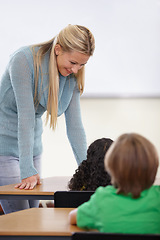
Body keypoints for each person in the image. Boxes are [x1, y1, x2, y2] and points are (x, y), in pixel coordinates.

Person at [0, 24, 95, 214]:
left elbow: (75, 126)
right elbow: (25, 116)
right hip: (5, 144)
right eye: (73, 62)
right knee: (20, 219)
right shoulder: (23, 60)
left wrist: (88, 173)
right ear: (58, 49)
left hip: (32, 146)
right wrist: (27, 168)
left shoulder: (72, 74)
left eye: (82, 64)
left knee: (33, 215)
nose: (76, 70)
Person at [69, 133, 160, 234]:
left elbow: (72, 217)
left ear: (111, 169)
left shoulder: (102, 198)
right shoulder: (157, 197)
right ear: (154, 167)